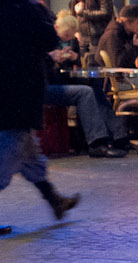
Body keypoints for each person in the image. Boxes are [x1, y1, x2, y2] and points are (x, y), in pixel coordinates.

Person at [0, 0, 81, 224]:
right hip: (17, 92)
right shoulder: (24, 4)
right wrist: (38, 6)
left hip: (8, 93)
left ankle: (55, 200)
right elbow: (49, 37)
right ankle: (55, 200)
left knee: (29, 154)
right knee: (9, 151)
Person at [45, 13, 130, 157]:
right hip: (45, 85)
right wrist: (52, 59)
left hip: (59, 79)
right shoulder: (45, 41)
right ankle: (97, 142)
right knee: (84, 92)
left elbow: (73, 66)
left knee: (94, 88)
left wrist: (74, 58)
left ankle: (118, 136)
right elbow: (37, 68)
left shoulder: (66, 42)